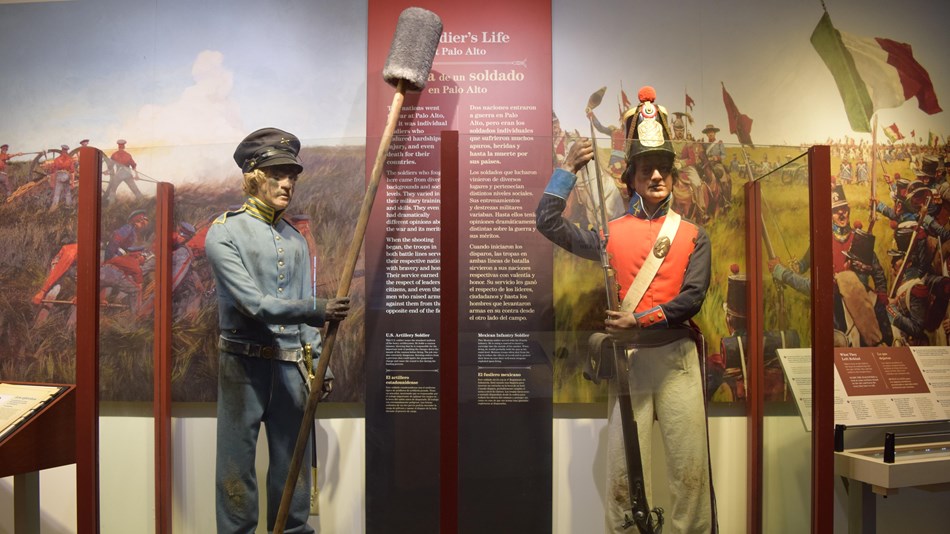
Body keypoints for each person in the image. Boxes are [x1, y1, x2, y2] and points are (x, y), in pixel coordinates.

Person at [537, 88, 714, 533]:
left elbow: (691, 300)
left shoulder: (694, 235)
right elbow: (548, 221)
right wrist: (566, 171)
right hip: (629, 363)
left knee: (690, 479)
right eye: (646, 168)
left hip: (676, 359)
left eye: (663, 168)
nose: (656, 175)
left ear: (673, 176)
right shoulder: (608, 233)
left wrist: (639, 320)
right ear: (631, 177)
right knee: (623, 482)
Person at [206, 127, 350, 534]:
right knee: (236, 470)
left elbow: (306, 327)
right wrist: (314, 310)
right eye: (276, 174)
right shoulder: (225, 232)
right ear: (253, 177)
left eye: (292, 175)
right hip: (242, 367)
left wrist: (321, 365)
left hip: (290, 369)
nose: (287, 183)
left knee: (293, 470)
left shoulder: (296, 240)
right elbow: (253, 304)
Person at [105, 138, 143, 203]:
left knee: (112, 190)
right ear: (124, 146)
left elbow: (110, 166)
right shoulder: (128, 155)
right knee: (135, 189)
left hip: (118, 175)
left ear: (118, 146)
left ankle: (111, 205)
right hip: (127, 174)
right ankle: (143, 201)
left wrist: (106, 171)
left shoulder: (114, 155)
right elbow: (133, 166)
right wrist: (137, 175)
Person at [48, 145, 76, 211]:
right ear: (67, 151)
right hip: (66, 177)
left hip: (59, 176)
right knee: (68, 192)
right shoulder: (70, 160)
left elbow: (53, 172)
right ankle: (68, 206)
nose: (64, 152)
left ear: (62, 150)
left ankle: (53, 208)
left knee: (56, 193)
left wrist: (52, 182)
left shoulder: (57, 159)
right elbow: (72, 172)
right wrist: (72, 183)